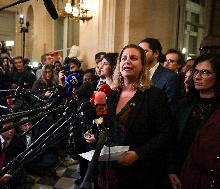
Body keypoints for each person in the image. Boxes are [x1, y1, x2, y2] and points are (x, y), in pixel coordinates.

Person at [85, 44, 175, 188]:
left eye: (133, 58)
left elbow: (165, 134)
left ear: (142, 65)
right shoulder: (111, 93)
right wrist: (95, 134)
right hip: (107, 168)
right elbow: (104, 123)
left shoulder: (154, 95)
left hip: (138, 171)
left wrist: (138, 154)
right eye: (124, 58)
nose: (127, 61)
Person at [168, 53, 219, 189]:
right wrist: (171, 170)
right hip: (177, 170)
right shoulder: (184, 104)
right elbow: (171, 139)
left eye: (205, 72)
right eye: (196, 71)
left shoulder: (217, 111)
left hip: (206, 177)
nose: (197, 77)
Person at [139, 38, 181, 109]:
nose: (140, 54)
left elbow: (169, 107)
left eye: (145, 51)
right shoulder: (136, 74)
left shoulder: (170, 77)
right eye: (139, 51)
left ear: (156, 53)